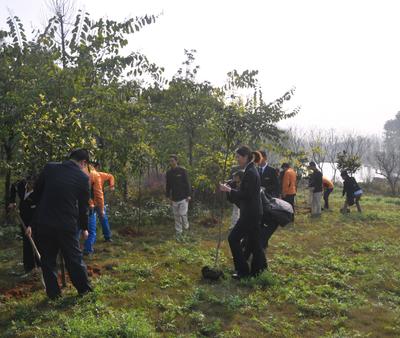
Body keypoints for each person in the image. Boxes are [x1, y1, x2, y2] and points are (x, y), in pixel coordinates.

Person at [31, 149, 92, 299]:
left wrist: (36, 216)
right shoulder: (83, 178)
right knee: (74, 259)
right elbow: (83, 207)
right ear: (83, 162)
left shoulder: (50, 168)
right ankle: (84, 291)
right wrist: (85, 228)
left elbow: (37, 193)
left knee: (48, 260)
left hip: (44, 222)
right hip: (66, 224)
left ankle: (53, 295)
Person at [220, 146, 266, 279]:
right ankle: (259, 270)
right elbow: (246, 192)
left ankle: (243, 271)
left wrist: (228, 190)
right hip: (254, 212)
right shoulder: (251, 170)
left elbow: (245, 194)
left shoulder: (250, 172)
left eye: (238, 157)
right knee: (255, 242)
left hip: (250, 214)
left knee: (233, 238)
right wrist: (231, 188)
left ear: (246, 157)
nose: (237, 159)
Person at [8, 175, 40, 275]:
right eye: (29, 184)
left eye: (32, 185)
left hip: (35, 220)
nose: (30, 186)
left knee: (36, 241)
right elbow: (13, 186)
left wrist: (30, 226)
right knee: (26, 242)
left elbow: (38, 213)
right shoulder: (21, 184)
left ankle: (40, 266)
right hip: (23, 216)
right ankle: (29, 267)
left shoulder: (38, 193)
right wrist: (12, 201)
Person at [166, 155, 191, 240]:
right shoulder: (168, 173)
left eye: (172, 161)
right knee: (176, 215)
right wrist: (167, 196)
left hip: (184, 197)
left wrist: (189, 195)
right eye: (170, 161)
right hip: (174, 198)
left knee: (182, 214)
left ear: (176, 161)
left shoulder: (182, 170)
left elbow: (187, 183)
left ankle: (186, 227)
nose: (171, 162)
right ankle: (178, 231)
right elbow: (168, 185)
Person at [82, 165, 105, 255]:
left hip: (75, 207)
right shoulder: (95, 175)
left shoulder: (75, 173)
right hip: (89, 207)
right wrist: (101, 209)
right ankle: (87, 250)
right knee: (91, 231)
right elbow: (99, 194)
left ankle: (72, 252)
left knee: (77, 230)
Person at [90, 161, 115, 243]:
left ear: (96, 167)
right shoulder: (86, 175)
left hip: (99, 201)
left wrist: (111, 185)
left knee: (103, 218)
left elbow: (111, 176)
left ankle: (107, 237)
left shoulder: (100, 175)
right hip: (90, 202)